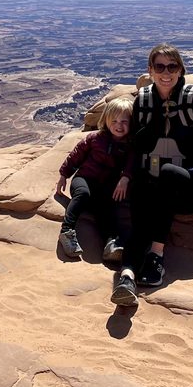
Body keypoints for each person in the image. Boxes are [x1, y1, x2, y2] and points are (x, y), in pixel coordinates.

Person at [111, 44, 193, 307]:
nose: (166, 72)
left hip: (186, 184)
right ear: (150, 70)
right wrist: (127, 176)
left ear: (181, 70)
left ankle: (156, 255)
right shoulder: (144, 101)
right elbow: (137, 146)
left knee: (168, 174)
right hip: (154, 182)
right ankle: (126, 276)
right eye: (159, 67)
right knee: (142, 200)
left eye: (172, 67)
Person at [56, 96, 134, 263]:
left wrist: (125, 178)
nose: (119, 125)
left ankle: (111, 243)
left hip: (104, 187)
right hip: (83, 179)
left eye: (124, 121)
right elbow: (75, 156)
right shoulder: (95, 138)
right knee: (83, 194)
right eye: (114, 120)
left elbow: (132, 164)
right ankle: (67, 231)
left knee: (107, 208)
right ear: (105, 119)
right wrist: (64, 175)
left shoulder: (130, 146)